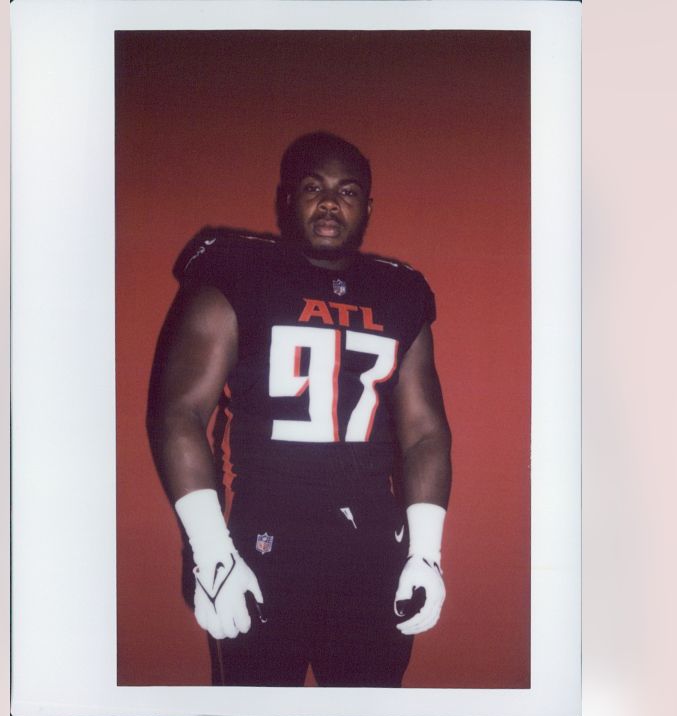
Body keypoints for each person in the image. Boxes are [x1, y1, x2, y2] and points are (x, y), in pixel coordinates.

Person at [146, 131, 451, 687]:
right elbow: (180, 412)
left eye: (348, 191)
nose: (331, 202)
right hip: (266, 543)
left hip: (372, 546)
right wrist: (211, 550)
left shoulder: (400, 292)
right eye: (314, 187)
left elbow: (425, 432)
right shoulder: (237, 271)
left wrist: (426, 553)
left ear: (368, 206)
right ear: (287, 198)